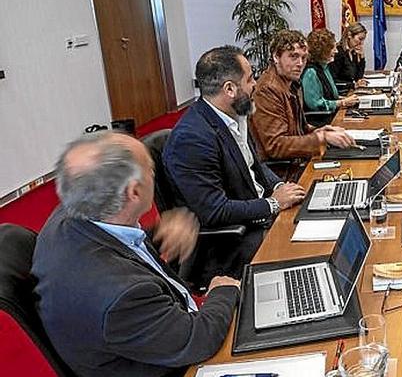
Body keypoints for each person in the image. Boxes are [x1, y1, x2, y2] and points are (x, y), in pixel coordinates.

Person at [31, 131, 239, 377]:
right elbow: (197, 340)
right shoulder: (121, 295)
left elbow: (116, 252)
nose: (154, 174)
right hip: (179, 365)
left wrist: (156, 234)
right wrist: (222, 290)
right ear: (134, 192)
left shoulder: (74, 211)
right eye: (151, 169)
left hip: (153, 334)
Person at [163, 46, 306, 287]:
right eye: (250, 79)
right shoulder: (193, 138)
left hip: (259, 216)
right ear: (229, 89)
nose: (255, 85)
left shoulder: (235, 115)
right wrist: (273, 203)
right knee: (309, 258)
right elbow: (215, 211)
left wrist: (281, 185)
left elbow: (254, 165)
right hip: (231, 244)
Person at [251, 30, 355, 167]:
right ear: (276, 56)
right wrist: (320, 138)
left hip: (300, 160)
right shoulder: (267, 90)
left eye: (304, 58)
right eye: (293, 57)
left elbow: (299, 129)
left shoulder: (291, 83)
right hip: (287, 172)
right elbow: (275, 146)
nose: (300, 63)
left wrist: (320, 130)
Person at [302, 28, 359, 112]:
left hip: (333, 113)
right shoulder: (311, 72)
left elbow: (331, 95)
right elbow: (315, 104)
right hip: (322, 120)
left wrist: (347, 99)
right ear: (322, 50)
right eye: (333, 48)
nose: (336, 51)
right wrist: (342, 102)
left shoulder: (324, 67)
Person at [329, 22, 368, 89]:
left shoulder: (353, 52)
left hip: (350, 91)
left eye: (363, 40)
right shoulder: (338, 53)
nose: (361, 43)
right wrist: (353, 85)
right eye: (360, 39)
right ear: (349, 35)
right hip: (341, 93)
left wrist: (362, 58)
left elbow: (357, 77)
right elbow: (332, 82)